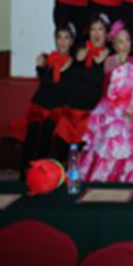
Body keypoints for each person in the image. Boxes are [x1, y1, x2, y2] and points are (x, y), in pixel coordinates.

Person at [80, 23, 133, 183]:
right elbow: (111, 68)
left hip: (131, 108)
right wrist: (120, 59)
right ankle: (104, 177)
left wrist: (131, 109)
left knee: (131, 139)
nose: (124, 44)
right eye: (120, 41)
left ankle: (126, 177)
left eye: (127, 40)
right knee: (111, 137)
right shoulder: (109, 61)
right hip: (111, 108)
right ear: (114, 45)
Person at [12, 25, 76, 179]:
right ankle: (24, 171)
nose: (62, 41)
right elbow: (44, 85)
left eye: (66, 38)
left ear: (71, 42)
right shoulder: (48, 60)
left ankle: (40, 170)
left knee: (48, 128)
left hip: (57, 109)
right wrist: (41, 68)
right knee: (33, 129)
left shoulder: (74, 64)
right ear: (55, 40)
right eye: (59, 37)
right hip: (40, 106)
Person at [54, 16, 110, 163]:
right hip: (71, 112)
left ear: (106, 34)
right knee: (60, 131)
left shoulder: (111, 58)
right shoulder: (80, 52)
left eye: (100, 29)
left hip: (92, 115)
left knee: (83, 152)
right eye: (93, 29)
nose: (96, 33)